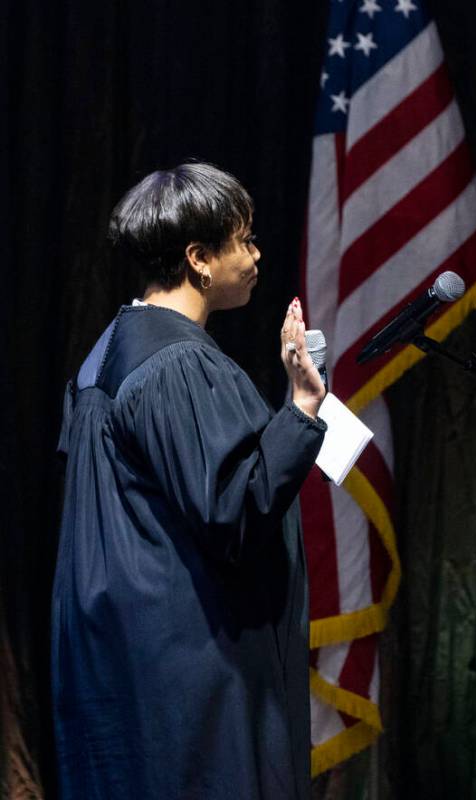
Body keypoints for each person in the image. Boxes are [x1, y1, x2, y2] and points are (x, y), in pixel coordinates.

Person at [52, 163, 327, 799]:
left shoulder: (111, 349)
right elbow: (238, 504)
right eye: (246, 240)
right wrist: (302, 409)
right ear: (199, 258)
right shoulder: (179, 362)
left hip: (122, 653)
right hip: (191, 666)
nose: (258, 254)